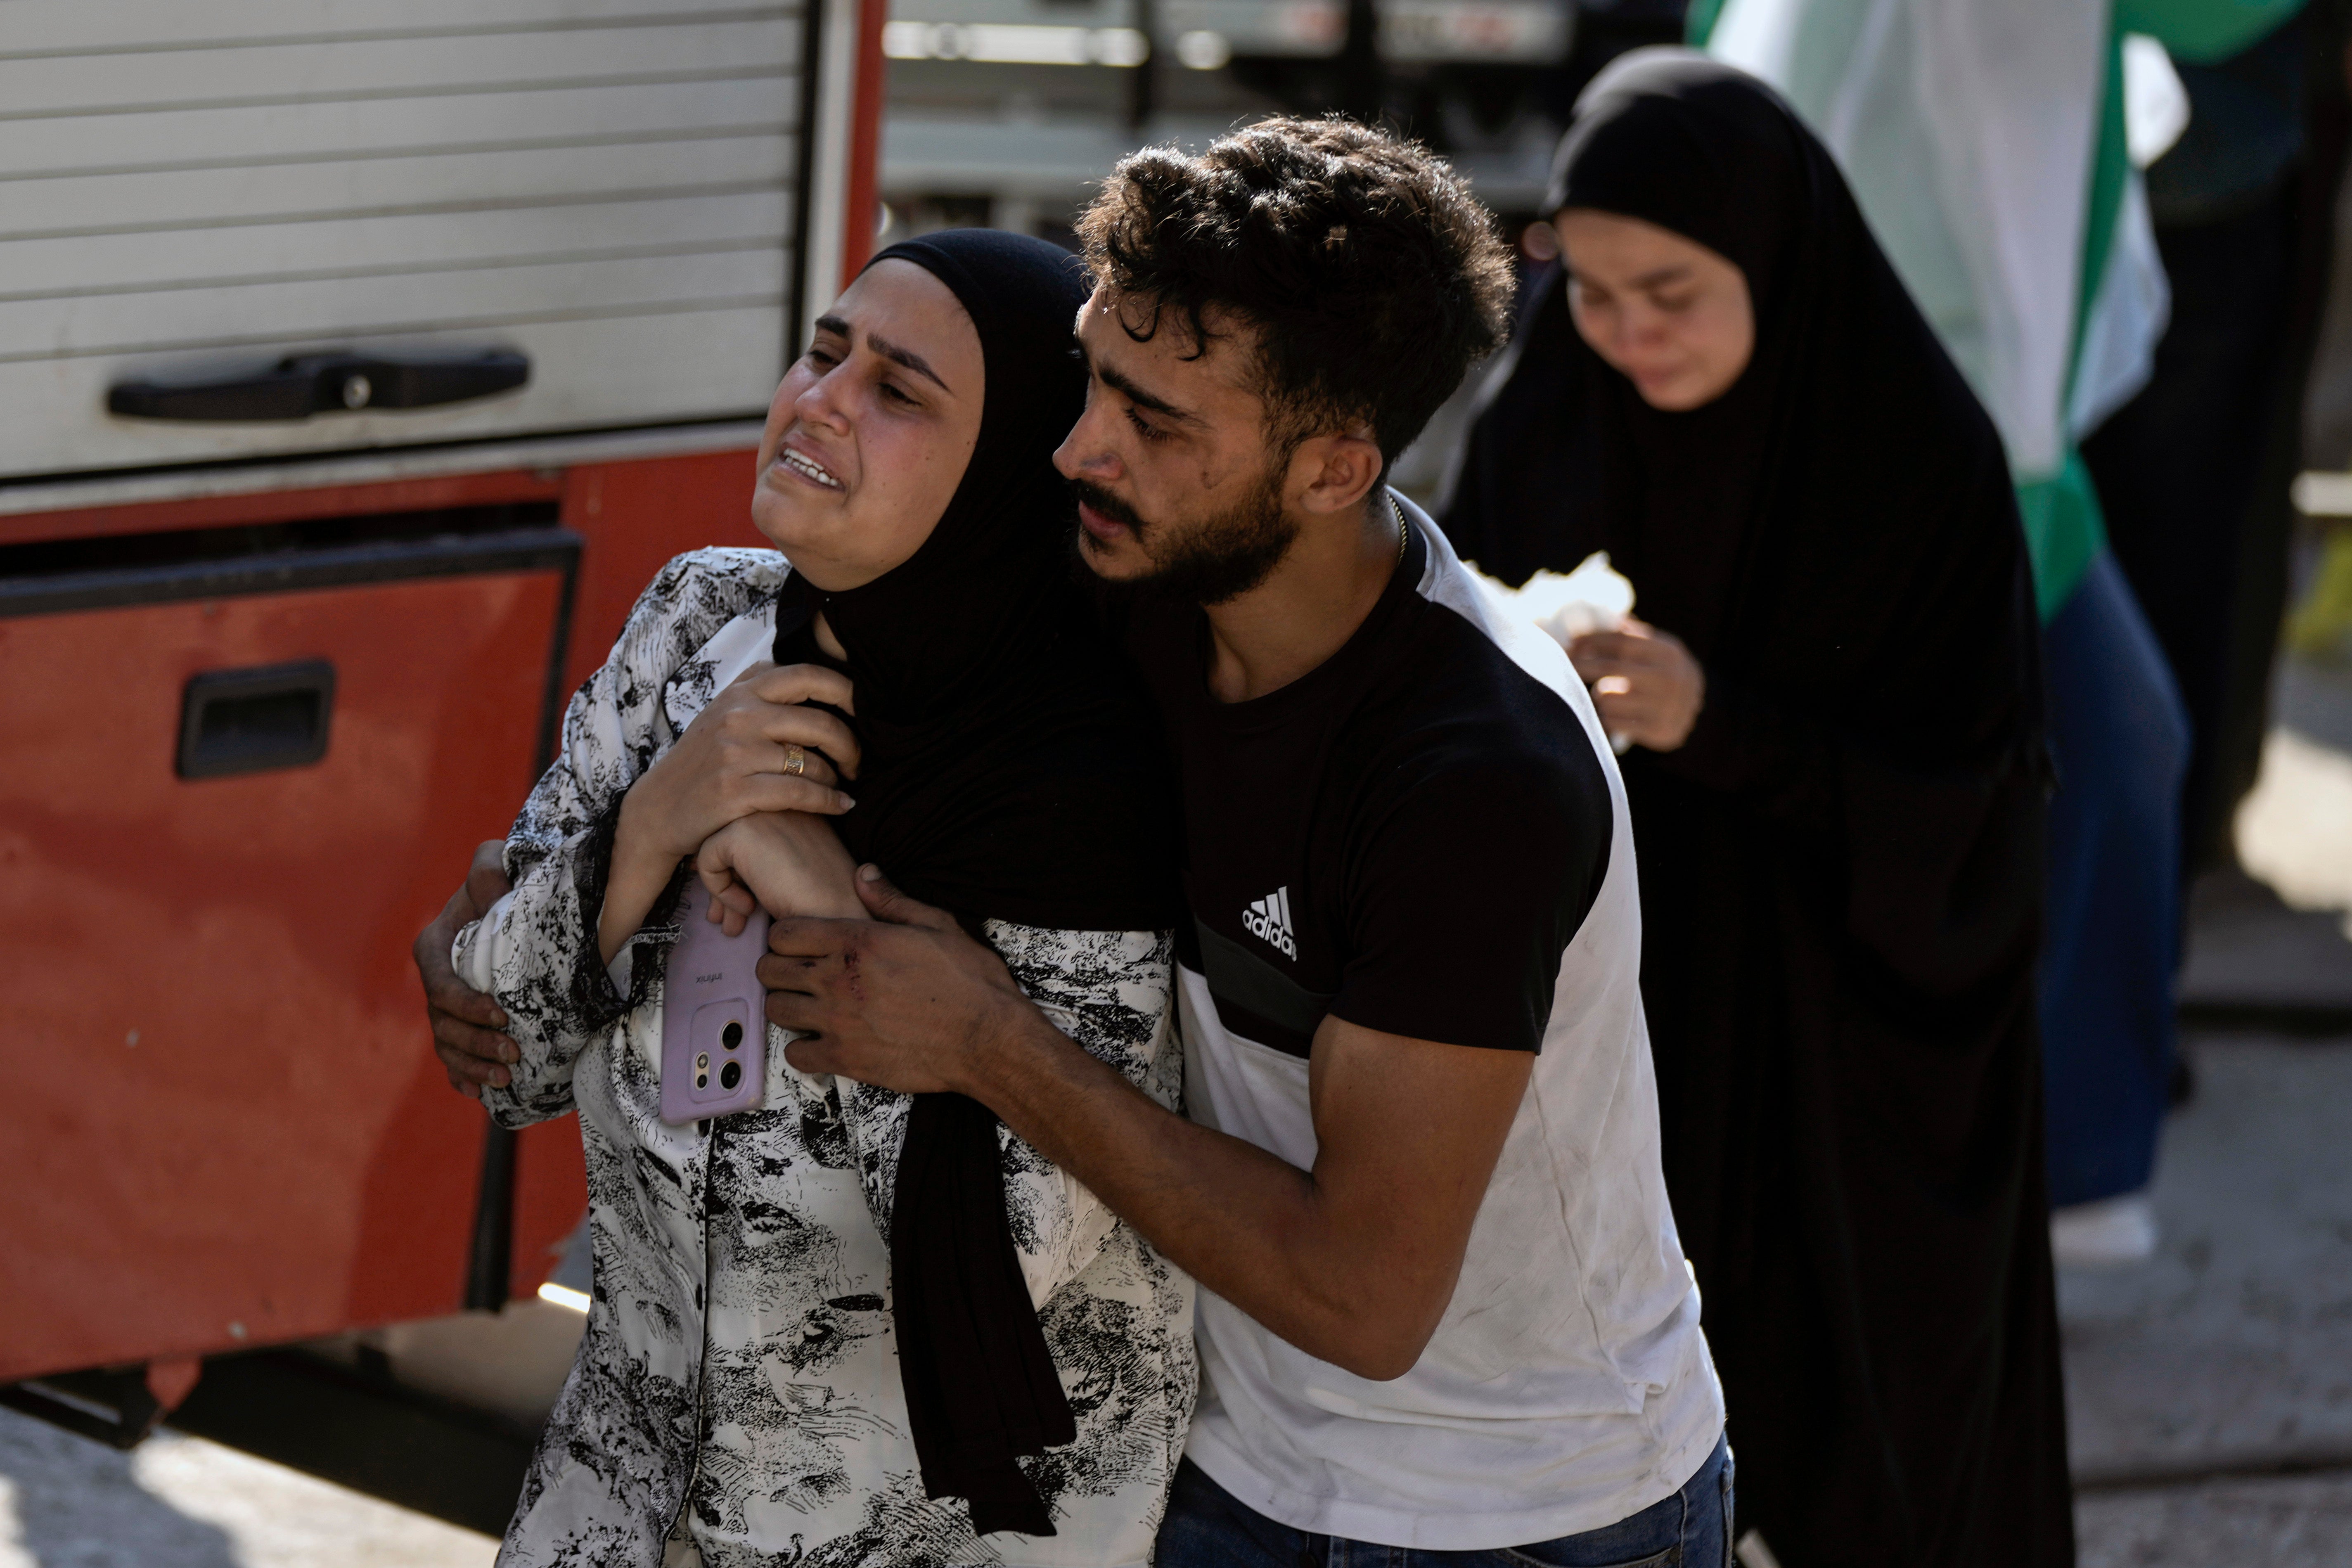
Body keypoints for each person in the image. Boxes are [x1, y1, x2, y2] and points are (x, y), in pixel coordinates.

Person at [741, 118, 1731, 1563]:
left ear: (1335, 472)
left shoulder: (1472, 783)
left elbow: (1363, 1301)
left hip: (1515, 1513)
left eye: (1156, 422)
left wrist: (990, 1046)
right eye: (1094, 378)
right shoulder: (1140, 567)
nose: (1080, 448)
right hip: (1222, 1466)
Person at [422, 230, 1199, 1565]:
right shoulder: (698, 625)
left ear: (1014, 464)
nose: (819, 400)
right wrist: (661, 813)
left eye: (897, 392)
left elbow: (1008, 1269)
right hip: (621, 1500)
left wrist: (820, 892)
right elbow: (506, 1052)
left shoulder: (1081, 781)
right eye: (823, 354)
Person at [1441, 55, 2073, 1568]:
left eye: (1668, 288)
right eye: (1585, 289)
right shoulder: (1552, 415)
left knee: (1844, 1455)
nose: (1624, 331)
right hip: (1614, 1024)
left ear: (1771, 262)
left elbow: (1977, 826)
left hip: (1835, 1065)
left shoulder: (1915, 468)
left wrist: (1719, 725)